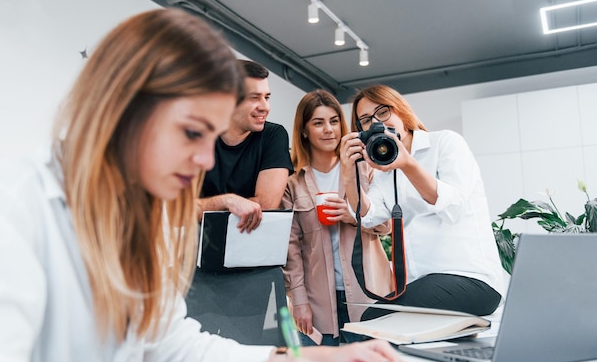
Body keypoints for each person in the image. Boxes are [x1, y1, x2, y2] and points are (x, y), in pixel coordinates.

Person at [0, 9, 412, 362]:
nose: (205, 160)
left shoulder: (138, 220)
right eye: (191, 133)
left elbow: (175, 348)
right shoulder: (1, 205)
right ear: (120, 112)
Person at [341, 84, 506, 321]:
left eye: (383, 112)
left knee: (373, 320)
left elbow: (454, 207)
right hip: (422, 284)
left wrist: (407, 164)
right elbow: (367, 216)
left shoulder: (446, 143)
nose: (376, 122)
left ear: (401, 112)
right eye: (365, 120)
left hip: (472, 279)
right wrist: (348, 173)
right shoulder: (383, 172)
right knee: (375, 319)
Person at [281, 90, 393, 346]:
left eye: (333, 121)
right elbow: (291, 250)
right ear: (304, 131)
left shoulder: (366, 167)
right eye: (318, 123)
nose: (329, 129)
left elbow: (386, 225)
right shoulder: (292, 184)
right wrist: (298, 300)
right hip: (318, 302)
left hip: (369, 295)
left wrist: (353, 216)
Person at [198, 60, 293, 233]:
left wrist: (204, 206)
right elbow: (176, 210)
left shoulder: (273, 135)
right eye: (254, 97)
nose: (265, 107)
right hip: (196, 251)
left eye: (267, 97)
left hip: (251, 251)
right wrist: (227, 201)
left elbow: (266, 204)